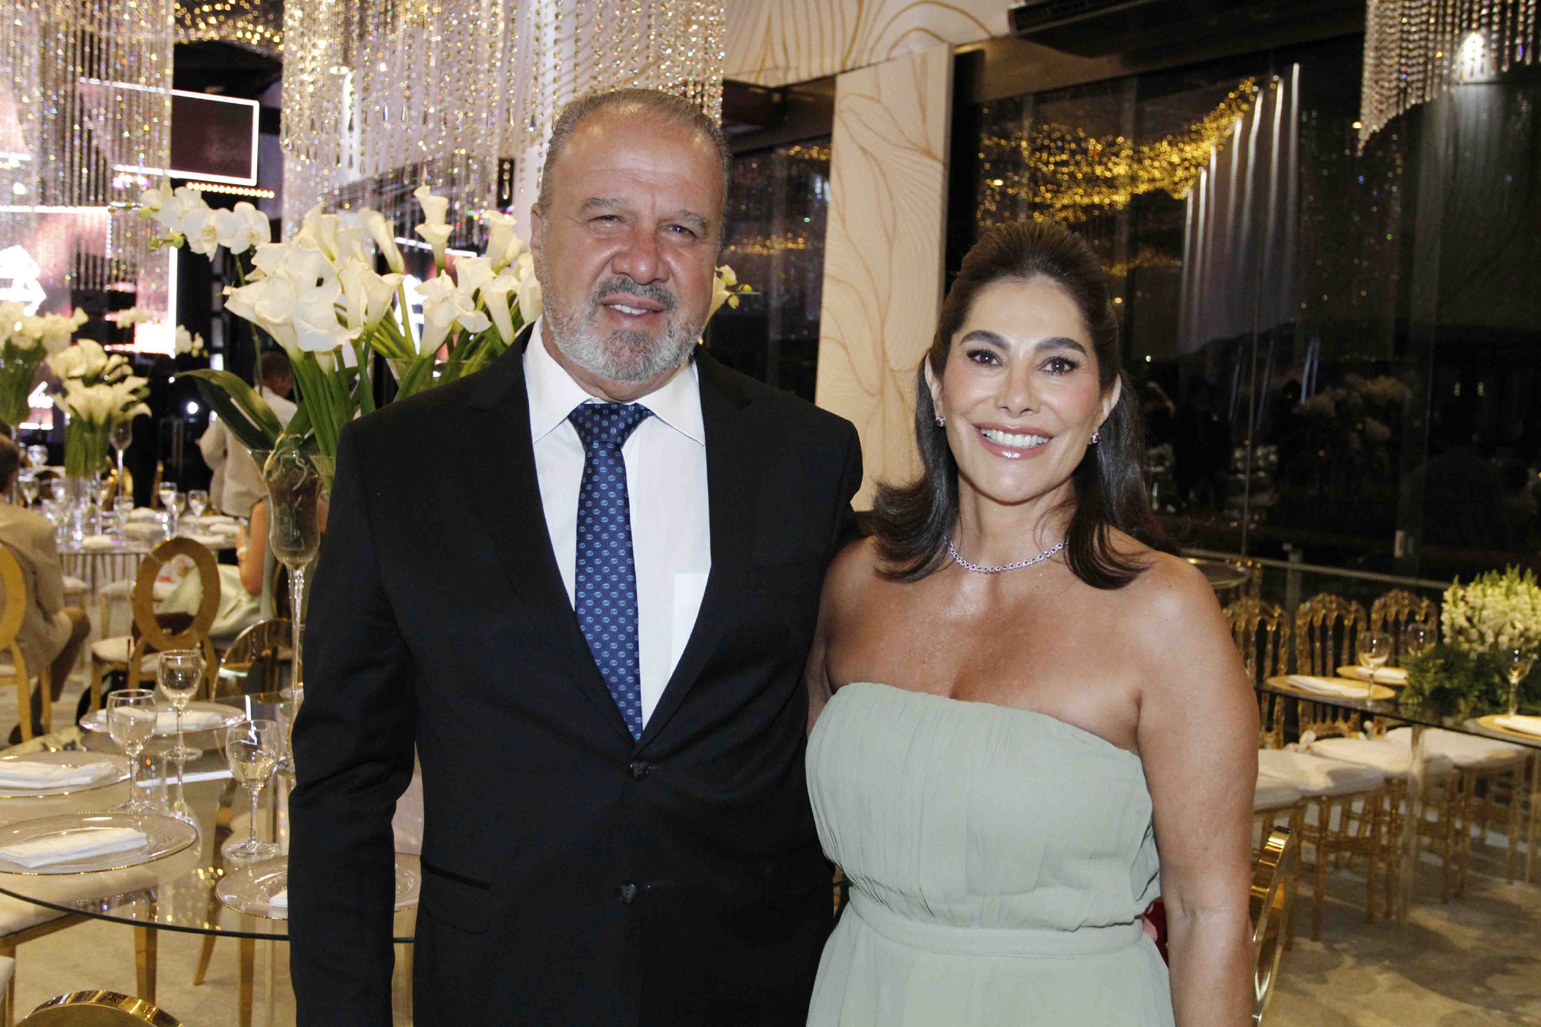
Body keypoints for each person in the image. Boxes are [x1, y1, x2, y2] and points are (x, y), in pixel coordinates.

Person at [288, 87, 863, 1027]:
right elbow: (342, 787)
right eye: (607, 218)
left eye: (682, 229)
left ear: (716, 255)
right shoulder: (400, 464)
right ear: (539, 227)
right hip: (497, 991)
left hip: (751, 993)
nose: (643, 261)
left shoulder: (807, 459)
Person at [803, 221, 1257, 1027]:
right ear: (936, 383)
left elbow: (1207, 915)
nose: (1016, 396)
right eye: (984, 356)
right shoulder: (856, 583)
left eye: (1057, 364)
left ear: (1104, 400)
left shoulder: (1165, 612)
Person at [0, 436, 91, 742]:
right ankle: (34, 715)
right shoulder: (34, 528)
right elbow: (52, 604)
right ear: (12, 478)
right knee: (78, 620)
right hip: (14, 641)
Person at [198, 350, 296, 517]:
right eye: (288, 381)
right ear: (276, 378)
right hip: (274, 508)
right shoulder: (290, 411)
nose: (290, 387)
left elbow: (208, 449)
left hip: (235, 503)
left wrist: (227, 467)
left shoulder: (232, 406)